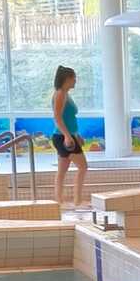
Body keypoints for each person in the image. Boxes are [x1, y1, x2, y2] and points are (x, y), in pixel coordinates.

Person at [51, 64, 88, 209]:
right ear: (67, 79)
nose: (75, 81)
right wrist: (67, 136)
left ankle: (60, 201)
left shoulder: (65, 94)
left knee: (62, 171)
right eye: (74, 78)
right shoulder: (60, 94)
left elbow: (69, 119)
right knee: (83, 167)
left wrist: (76, 135)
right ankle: (77, 200)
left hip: (66, 136)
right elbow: (57, 117)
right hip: (62, 137)